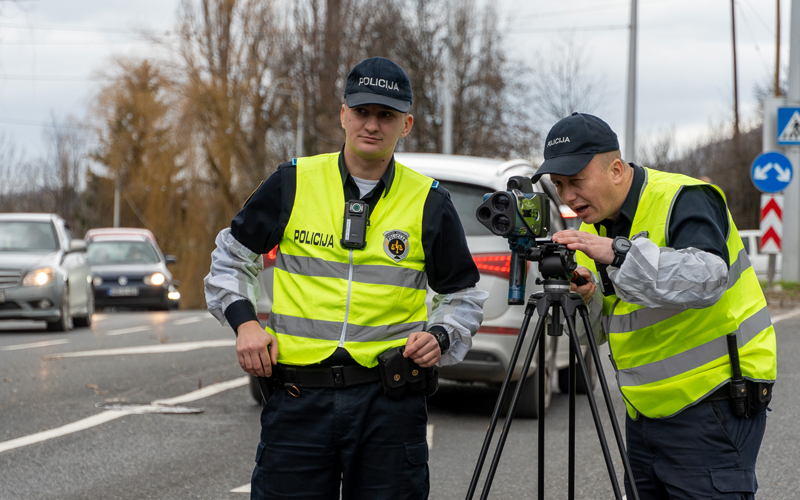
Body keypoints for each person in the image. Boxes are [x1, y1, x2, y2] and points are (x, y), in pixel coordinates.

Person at [204, 56, 487, 500]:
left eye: (386, 116)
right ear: (343, 114)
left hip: (389, 403)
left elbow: (464, 296)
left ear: (406, 124)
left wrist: (442, 335)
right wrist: (245, 324)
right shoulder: (292, 182)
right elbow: (230, 258)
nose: (371, 125)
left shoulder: (430, 201)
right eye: (362, 112)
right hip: (298, 398)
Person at [533, 112, 777, 499]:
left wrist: (618, 254)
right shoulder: (590, 228)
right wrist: (587, 298)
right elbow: (597, 333)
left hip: (711, 403)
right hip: (644, 412)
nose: (567, 197)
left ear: (616, 169)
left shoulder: (684, 197)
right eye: (559, 185)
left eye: (576, 181)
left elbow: (707, 277)